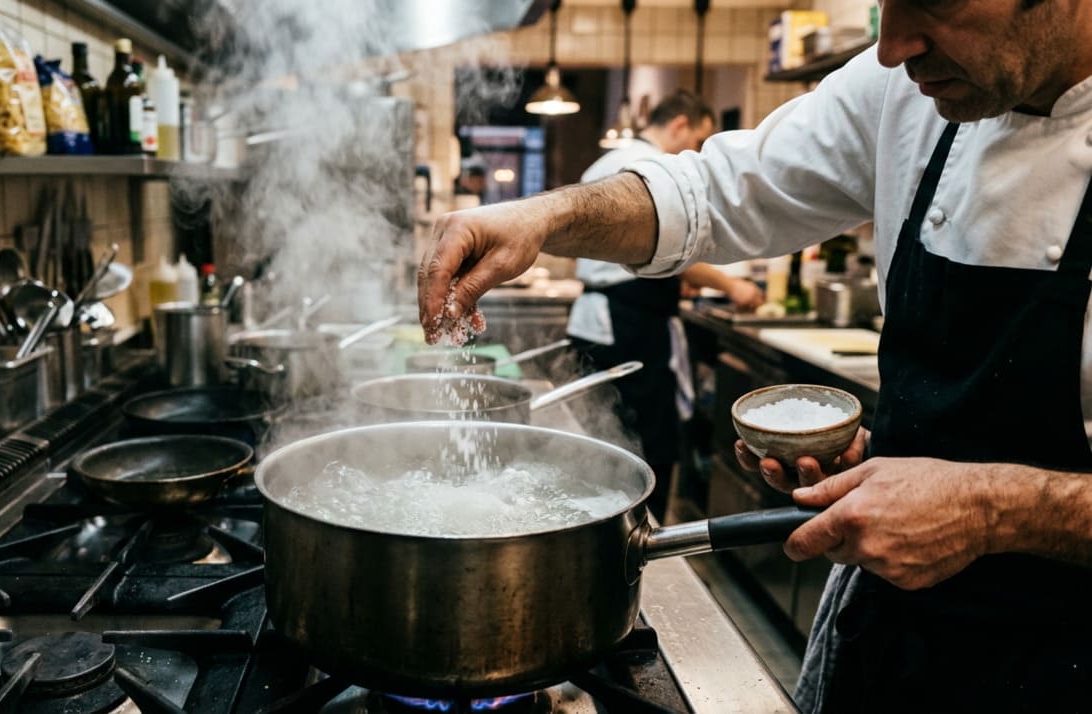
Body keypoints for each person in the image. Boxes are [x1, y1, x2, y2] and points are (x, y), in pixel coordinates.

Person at [417, 0, 1092, 709]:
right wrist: (546, 216)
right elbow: (717, 191)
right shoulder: (902, 89)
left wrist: (992, 509)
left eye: (932, 3)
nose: (893, 47)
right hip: (893, 632)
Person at [567, 90, 764, 518]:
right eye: (698, 140)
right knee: (647, 443)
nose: (695, 153)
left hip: (603, 319)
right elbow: (676, 256)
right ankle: (641, 534)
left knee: (603, 434)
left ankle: (597, 525)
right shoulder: (649, 170)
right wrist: (732, 286)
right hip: (630, 326)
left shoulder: (611, 161)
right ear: (679, 125)